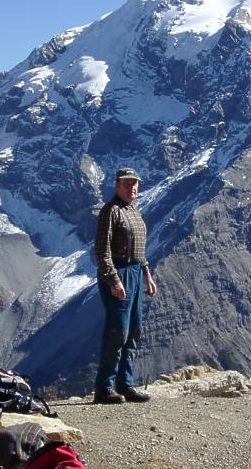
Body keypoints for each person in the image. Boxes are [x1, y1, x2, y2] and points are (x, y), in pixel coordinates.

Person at [93, 167, 158, 404]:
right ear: (117, 186)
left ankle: (125, 383)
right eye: (127, 183)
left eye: (135, 183)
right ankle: (104, 387)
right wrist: (113, 279)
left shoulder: (133, 211)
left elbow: (139, 250)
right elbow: (102, 250)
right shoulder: (110, 211)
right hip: (119, 272)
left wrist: (147, 274)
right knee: (118, 330)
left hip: (136, 273)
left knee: (133, 329)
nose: (132, 188)